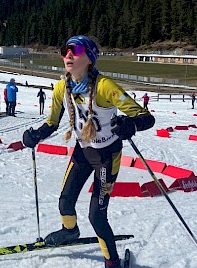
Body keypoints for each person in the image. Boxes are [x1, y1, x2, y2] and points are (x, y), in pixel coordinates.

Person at [22, 35, 155, 268]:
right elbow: (52, 122)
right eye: (65, 51)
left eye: (76, 50)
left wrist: (131, 125)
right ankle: (69, 231)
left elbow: (146, 118)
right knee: (65, 202)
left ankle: (111, 262)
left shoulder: (105, 87)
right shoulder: (62, 87)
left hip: (106, 156)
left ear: (90, 58)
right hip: (83, 152)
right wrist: (35, 135)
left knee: (97, 216)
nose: (68, 55)